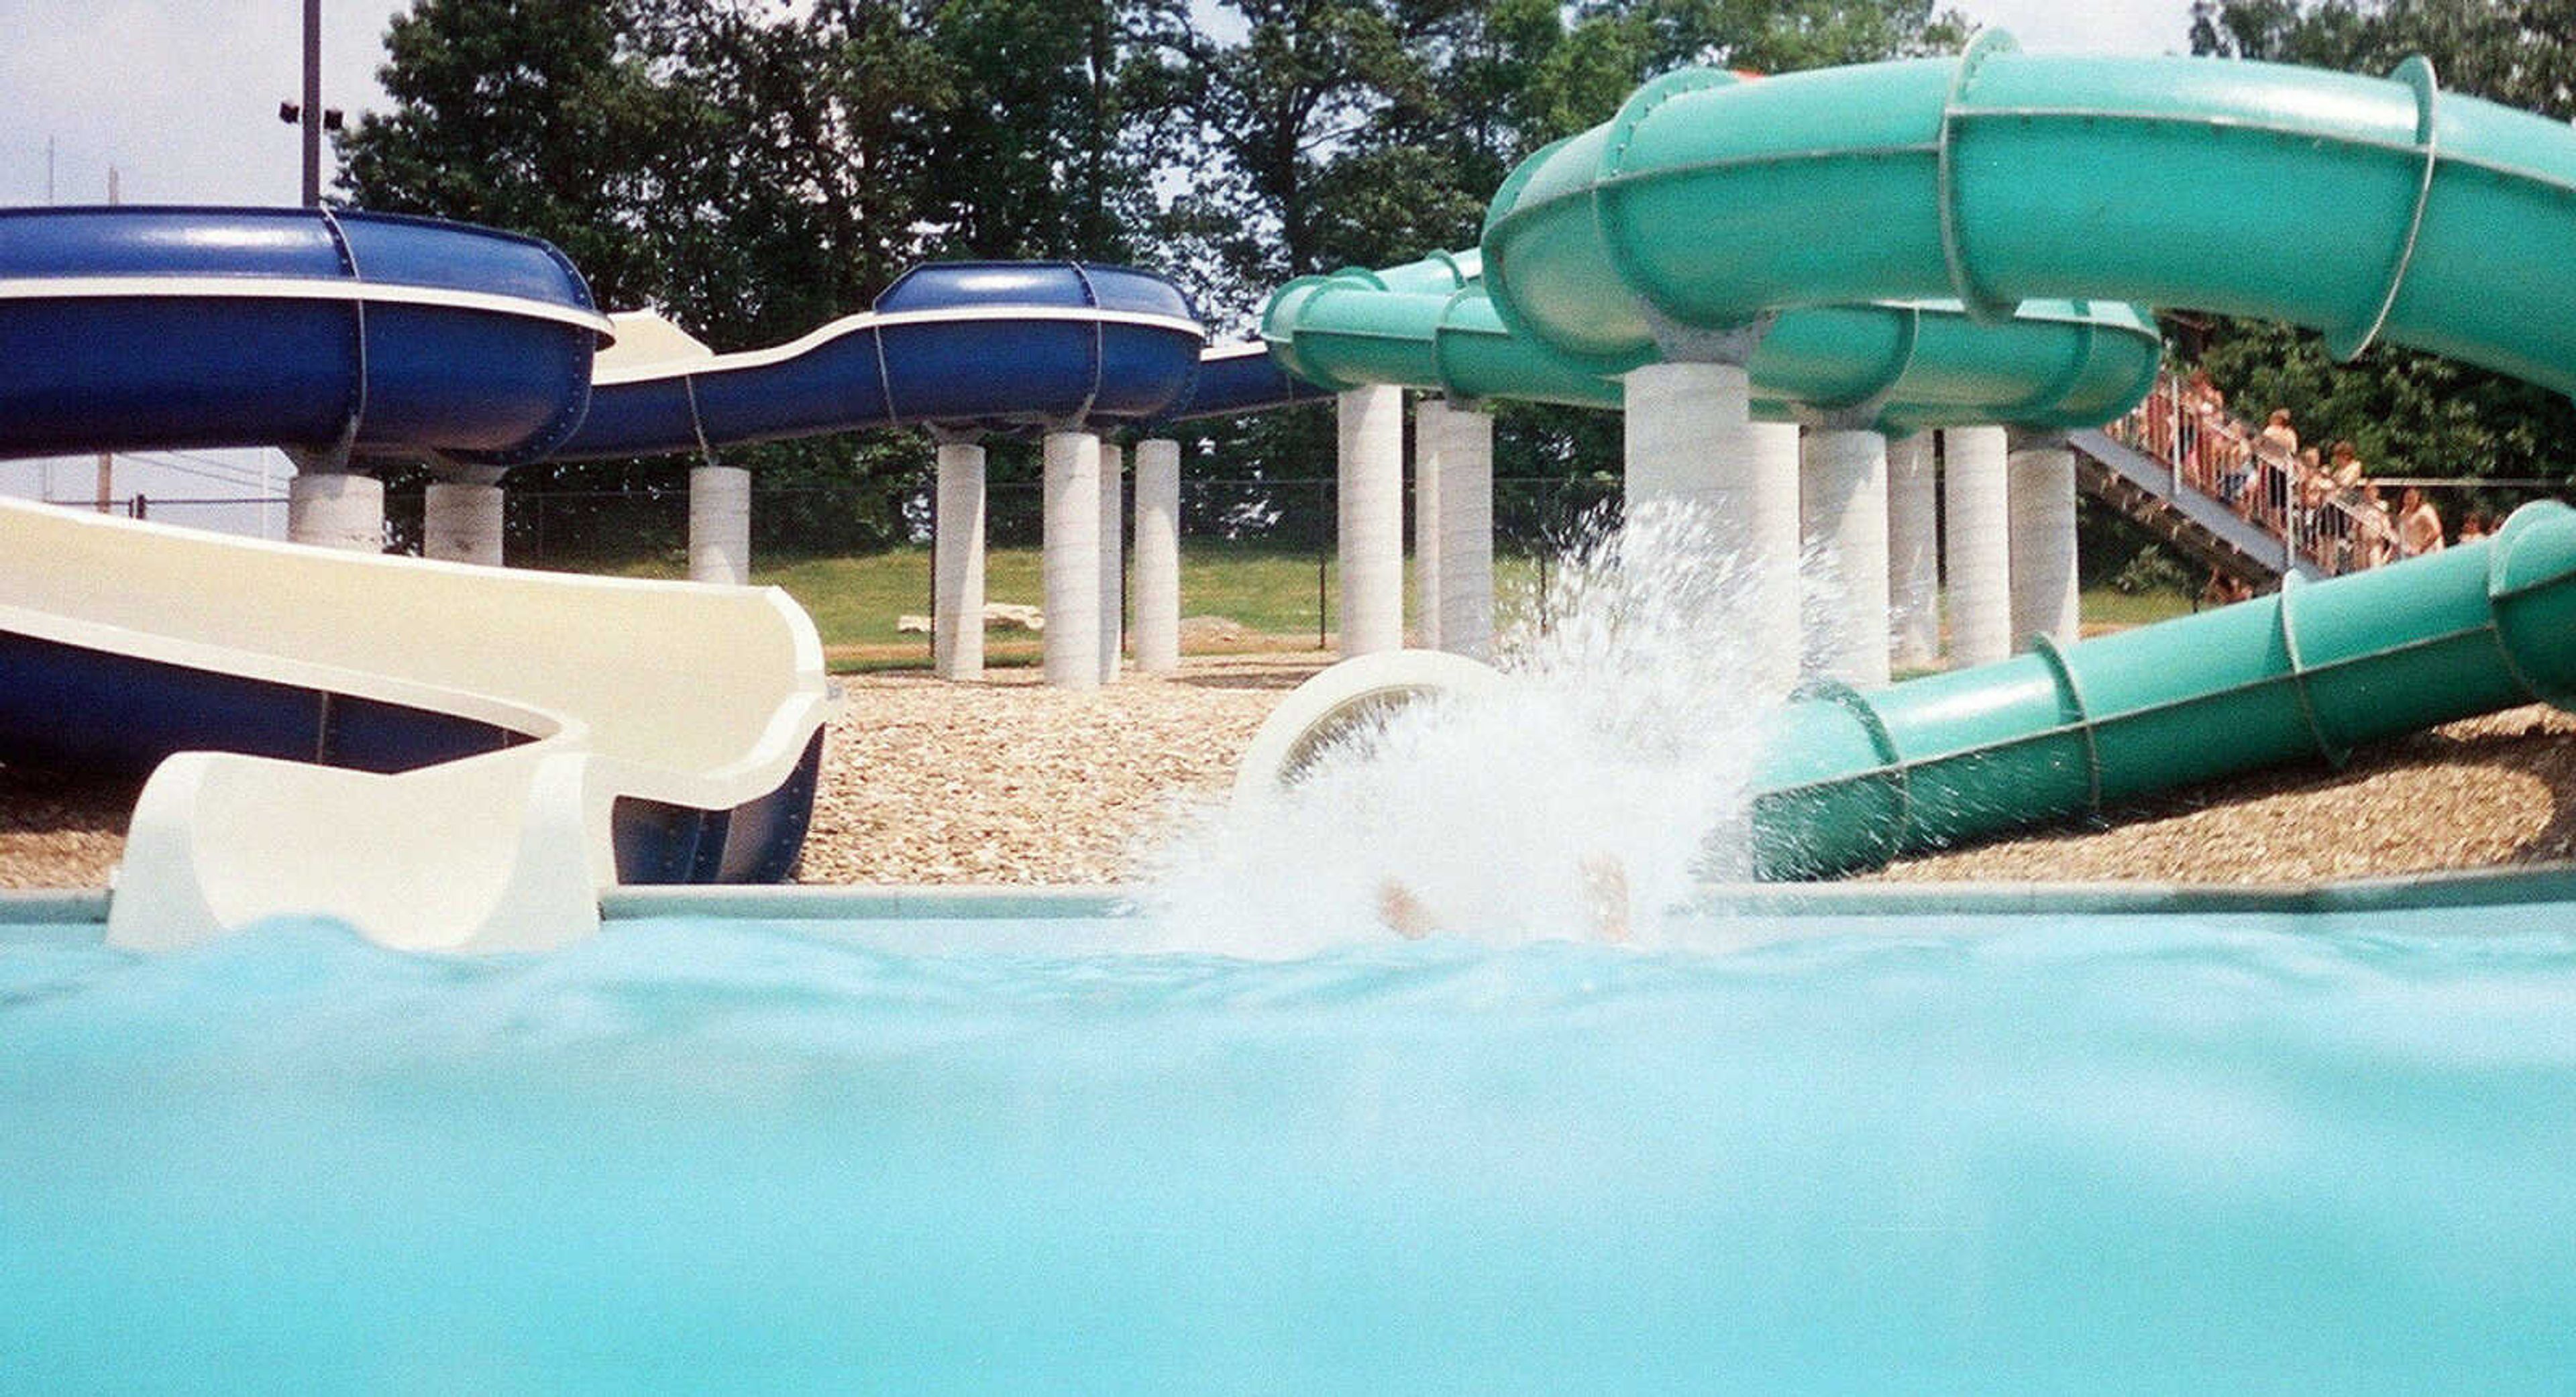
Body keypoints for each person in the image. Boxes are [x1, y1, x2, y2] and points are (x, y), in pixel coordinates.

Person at [2352, 481, 2397, 569]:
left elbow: (2385, 523)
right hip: (2362, 543)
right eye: (2367, 490)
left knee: (2375, 568)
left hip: (2376, 543)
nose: (2369, 493)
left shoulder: (2382, 505)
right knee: (2361, 570)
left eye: (2372, 490)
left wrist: (2390, 538)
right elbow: (2355, 525)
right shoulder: (2360, 507)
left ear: (2377, 492)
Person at [2398, 486, 2446, 558]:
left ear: (2418, 497)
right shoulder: (2403, 513)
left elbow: (2437, 531)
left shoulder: (2426, 510)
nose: (2410, 501)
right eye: (2408, 498)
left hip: (2428, 552)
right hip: (2411, 552)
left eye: (2413, 498)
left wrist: (2422, 548)